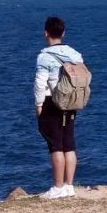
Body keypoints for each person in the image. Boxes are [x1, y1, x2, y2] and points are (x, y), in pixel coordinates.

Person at [34, 16, 84, 199]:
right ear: (63, 33)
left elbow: (40, 84)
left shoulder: (44, 56)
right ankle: (69, 186)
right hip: (71, 101)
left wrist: (39, 104)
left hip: (52, 102)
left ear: (45, 33)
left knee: (55, 146)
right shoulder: (75, 54)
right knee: (69, 144)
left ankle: (57, 187)